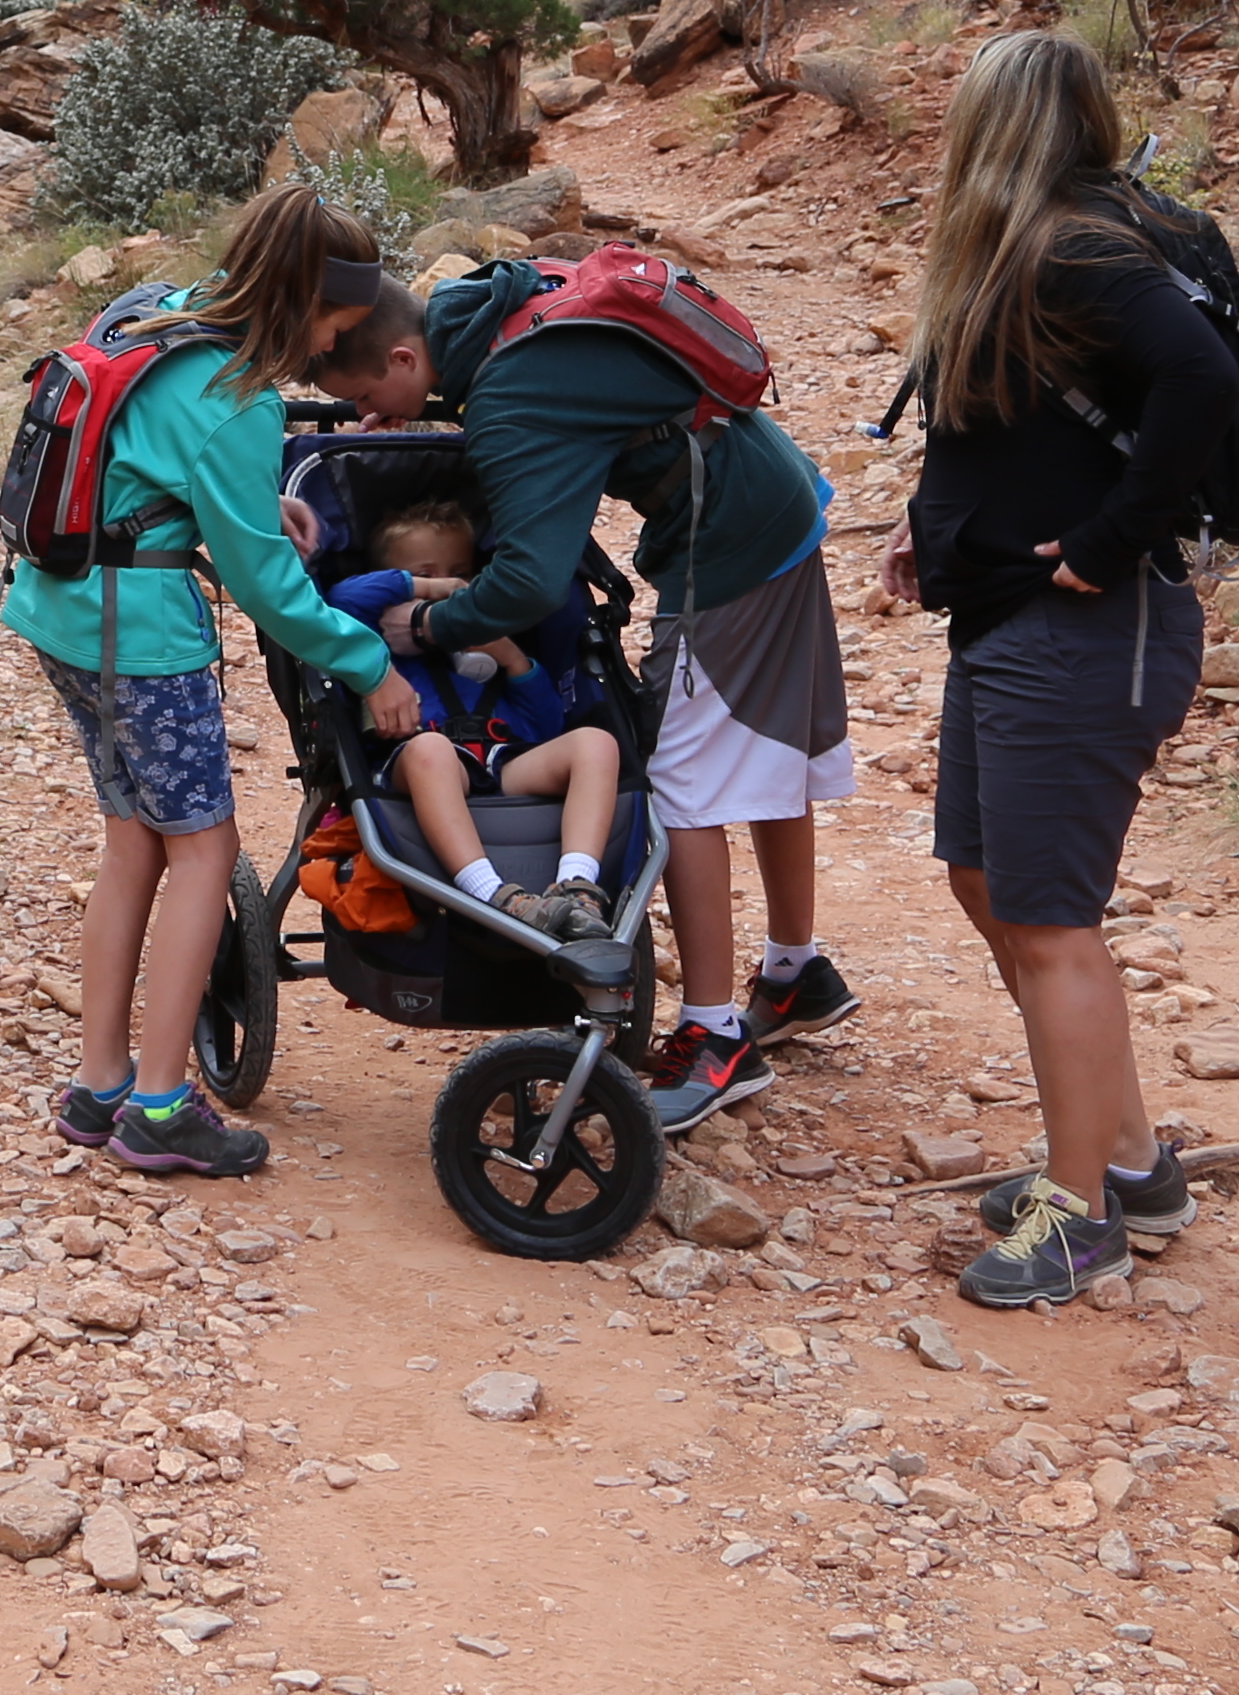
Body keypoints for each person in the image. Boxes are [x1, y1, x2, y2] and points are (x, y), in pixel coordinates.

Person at [311, 263, 852, 1137]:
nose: (381, 417)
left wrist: (428, 628)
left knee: (678, 780)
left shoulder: (506, 397)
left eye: (375, 393)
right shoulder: (481, 311)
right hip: (772, 499)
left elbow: (527, 582)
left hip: (726, 542)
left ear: (407, 356)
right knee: (769, 754)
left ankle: (715, 1038)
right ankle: (795, 973)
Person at [895, 28, 1231, 1312]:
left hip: (1089, 626)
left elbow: (1198, 378)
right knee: (989, 881)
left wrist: (1108, 539)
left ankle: (1080, 1213)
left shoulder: (1074, 245)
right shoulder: (1043, 245)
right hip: (1012, 620)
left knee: (1051, 924)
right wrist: (926, 531)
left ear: (995, 125)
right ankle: (1133, 1163)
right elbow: (1016, 430)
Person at [0, 183, 424, 1180]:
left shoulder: (160, 310)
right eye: (334, 321)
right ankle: (157, 1107)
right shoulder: (241, 391)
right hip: (141, 638)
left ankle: (98, 1083)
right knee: (204, 851)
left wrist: (256, 503)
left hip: (58, 611)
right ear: (304, 299)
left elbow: (141, 461)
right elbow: (269, 592)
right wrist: (369, 665)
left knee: (134, 844)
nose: (331, 345)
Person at [320, 489, 628, 939]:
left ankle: (576, 886)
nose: (450, 587)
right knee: (432, 749)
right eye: (424, 573)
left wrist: (511, 659)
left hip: (502, 761)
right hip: (417, 762)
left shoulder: (491, 648)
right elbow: (342, 597)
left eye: (461, 575)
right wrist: (425, 593)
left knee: (596, 743)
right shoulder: (375, 637)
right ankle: (489, 891)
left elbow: (545, 727)